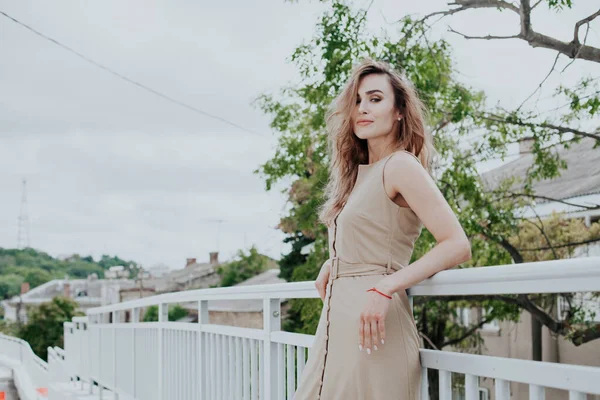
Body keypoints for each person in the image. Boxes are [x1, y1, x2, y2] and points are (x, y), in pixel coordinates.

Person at [292, 58, 472, 399]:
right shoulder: (358, 176)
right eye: (357, 100)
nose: (363, 108)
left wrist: (385, 286)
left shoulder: (401, 166)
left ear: (399, 110)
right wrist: (339, 263)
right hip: (337, 331)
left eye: (375, 99)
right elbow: (374, 234)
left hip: (375, 333)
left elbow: (456, 244)